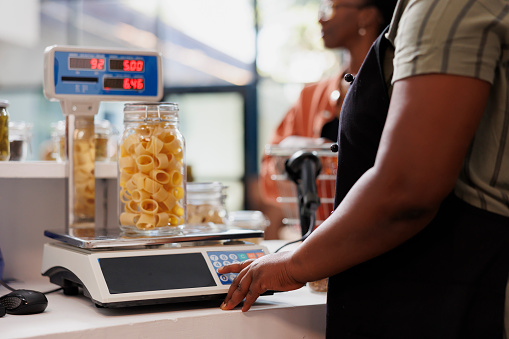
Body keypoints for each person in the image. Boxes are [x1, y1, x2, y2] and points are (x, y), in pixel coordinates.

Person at [219, 0, 509, 337]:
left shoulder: (441, 7)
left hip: (466, 293)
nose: (320, 15)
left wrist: (293, 265)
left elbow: (406, 189)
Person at [259, 0, 397, 238]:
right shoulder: (310, 97)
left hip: (380, 238)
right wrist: (298, 154)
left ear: (366, 17)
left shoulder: (398, 92)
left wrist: (318, 162)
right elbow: (269, 180)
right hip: (317, 240)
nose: (320, 18)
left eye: (330, 8)